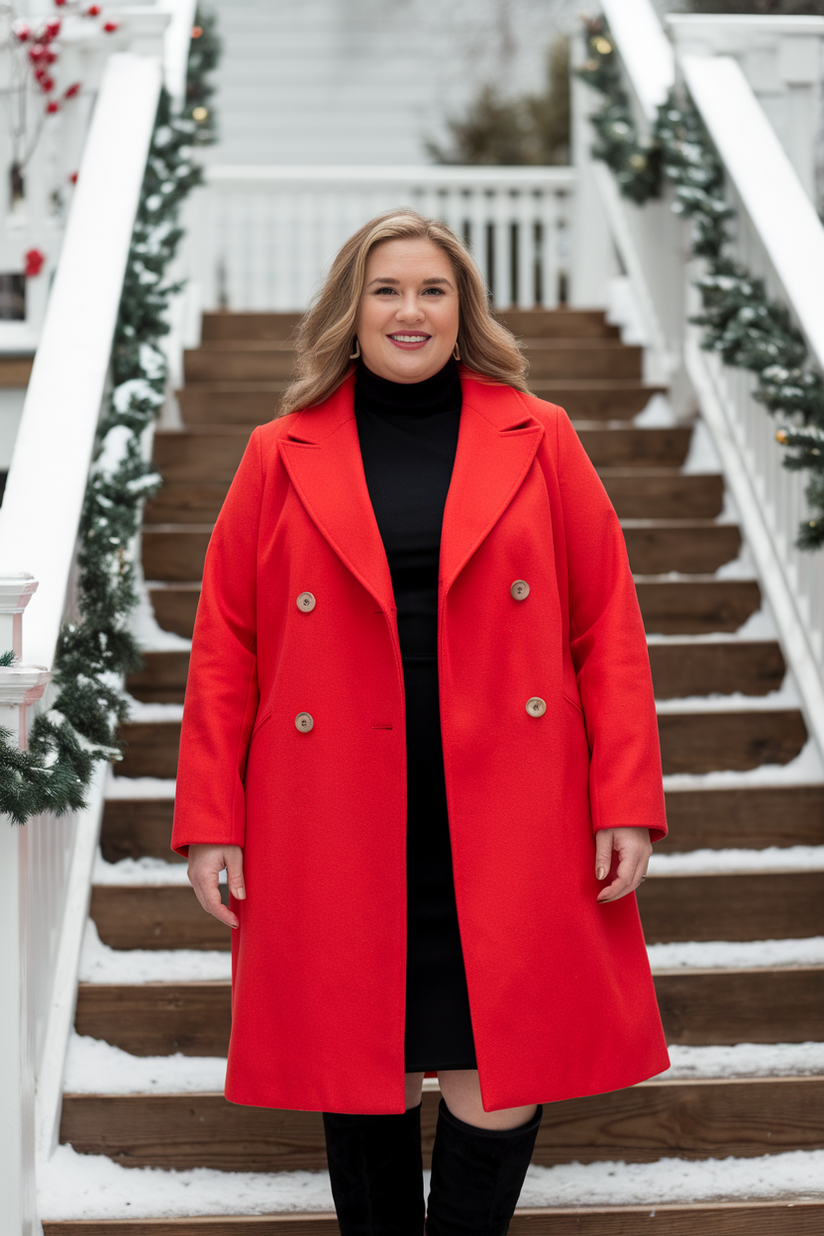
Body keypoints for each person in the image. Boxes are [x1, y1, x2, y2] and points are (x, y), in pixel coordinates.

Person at [172, 209, 669, 1235]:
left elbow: (605, 627)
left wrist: (624, 800)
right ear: (351, 314)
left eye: (431, 291)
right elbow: (227, 645)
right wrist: (211, 821)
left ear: (461, 311)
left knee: (499, 1069)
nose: (409, 310)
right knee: (364, 1071)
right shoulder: (278, 451)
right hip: (335, 807)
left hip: (505, 799)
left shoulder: (540, 436)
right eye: (386, 290)